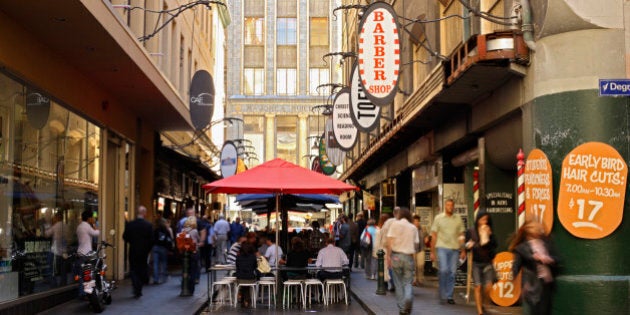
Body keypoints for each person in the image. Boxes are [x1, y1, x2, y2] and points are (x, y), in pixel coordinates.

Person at [510, 220, 557, 315]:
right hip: (532, 285)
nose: (539, 228)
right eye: (535, 226)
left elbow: (557, 258)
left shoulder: (546, 243)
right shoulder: (521, 248)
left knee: (546, 310)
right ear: (529, 230)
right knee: (537, 311)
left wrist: (550, 259)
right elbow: (515, 267)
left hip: (546, 284)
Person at [430, 199, 465, 305]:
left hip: (454, 249)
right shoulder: (438, 218)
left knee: (452, 273)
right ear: (445, 206)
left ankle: (449, 296)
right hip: (442, 248)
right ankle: (442, 293)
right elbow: (434, 235)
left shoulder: (458, 218)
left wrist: (463, 250)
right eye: (448, 205)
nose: (450, 207)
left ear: (454, 206)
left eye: (451, 205)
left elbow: (461, 235)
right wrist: (432, 252)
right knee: (444, 270)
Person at [386, 207, 420, 315]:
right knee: (407, 282)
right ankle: (408, 297)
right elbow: (416, 244)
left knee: (398, 283)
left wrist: (388, 256)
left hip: (396, 256)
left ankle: (401, 308)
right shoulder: (413, 227)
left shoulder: (394, 224)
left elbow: (389, 241)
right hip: (408, 256)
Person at [465, 212, 498, 315]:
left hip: (487, 262)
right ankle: (479, 311)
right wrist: (468, 246)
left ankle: (484, 303)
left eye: (486, 219)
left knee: (488, 286)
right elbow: (466, 244)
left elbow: (495, 244)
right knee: (478, 286)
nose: (484, 222)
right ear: (478, 219)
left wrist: (489, 235)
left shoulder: (489, 230)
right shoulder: (471, 231)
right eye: (482, 219)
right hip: (476, 262)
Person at [123, 205, 154, 298]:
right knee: (141, 269)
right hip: (144, 251)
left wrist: (132, 242)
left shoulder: (131, 224)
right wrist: (148, 249)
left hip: (133, 249)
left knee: (133, 269)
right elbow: (152, 240)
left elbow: (125, 236)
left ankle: (135, 286)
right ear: (144, 213)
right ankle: (138, 288)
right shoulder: (148, 225)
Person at [76, 210, 100, 298]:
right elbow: (96, 233)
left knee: (81, 275)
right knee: (89, 274)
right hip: (87, 254)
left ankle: (81, 293)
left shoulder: (79, 227)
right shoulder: (87, 226)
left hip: (80, 253)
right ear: (89, 218)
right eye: (92, 218)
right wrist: (94, 225)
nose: (93, 219)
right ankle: (87, 293)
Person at [45, 212, 69, 287]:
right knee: (63, 271)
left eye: (54, 217)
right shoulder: (66, 226)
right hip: (64, 252)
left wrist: (48, 225)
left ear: (57, 217)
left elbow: (46, 234)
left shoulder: (56, 226)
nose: (54, 218)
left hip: (55, 251)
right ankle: (63, 284)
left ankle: (53, 284)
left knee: (50, 268)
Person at [381, 207, 400, 291]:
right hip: (400, 248)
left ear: (393, 213)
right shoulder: (403, 222)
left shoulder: (388, 222)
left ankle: (393, 284)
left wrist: (384, 245)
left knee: (391, 266)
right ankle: (396, 284)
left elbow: (384, 234)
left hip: (390, 247)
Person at [180, 216, 200, 294]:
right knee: (193, 271)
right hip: (193, 252)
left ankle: (184, 288)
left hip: (185, 253)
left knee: (185, 271)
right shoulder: (195, 231)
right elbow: (197, 239)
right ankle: (191, 289)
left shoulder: (183, 230)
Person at [234, 242, 258, 308]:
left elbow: (237, 267)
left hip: (240, 278)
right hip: (250, 278)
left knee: (243, 285)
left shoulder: (238, 257)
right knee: (247, 285)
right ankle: (247, 299)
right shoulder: (253, 257)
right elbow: (255, 267)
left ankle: (244, 299)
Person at [152, 217, 173, 284]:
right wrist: (170, 249)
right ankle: (163, 278)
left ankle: (156, 279)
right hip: (163, 248)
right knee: (163, 263)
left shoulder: (155, 230)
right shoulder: (166, 231)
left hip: (156, 247)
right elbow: (169, 240)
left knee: (155, 263)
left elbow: (152, 239)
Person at [374, 213, 390, 284]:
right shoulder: (390, 229)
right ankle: (392, 284)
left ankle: (384, 284)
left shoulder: (379, 230)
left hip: (382, 251)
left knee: (383, 269)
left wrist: (375, 253)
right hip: (390, 251)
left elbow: (377, 243)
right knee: (388, 269)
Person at [412, 214, 426, 286]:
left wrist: (427, 239)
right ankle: (414, 280)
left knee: (420, 265)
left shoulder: (423, 229)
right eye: (414, 221)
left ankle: (420, 280)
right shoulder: (411, 229)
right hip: (413, 249)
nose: (416, 222)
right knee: (413, 265)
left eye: (417, 221)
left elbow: (427, 237)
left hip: (421, 249)